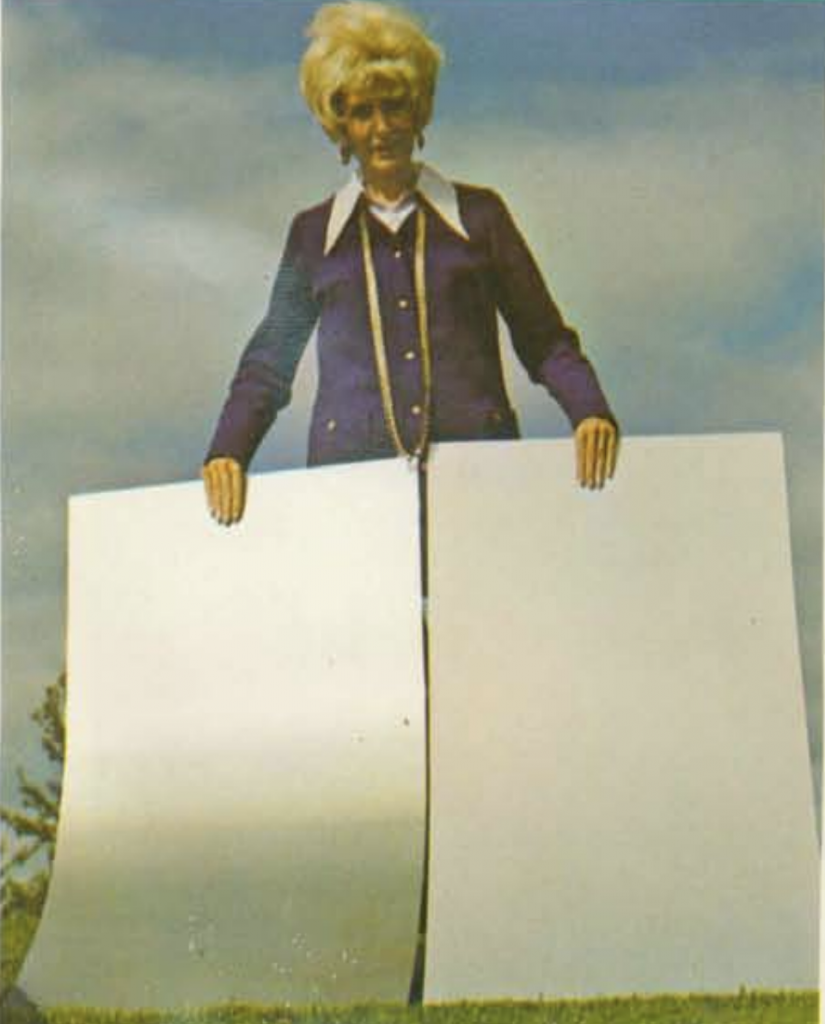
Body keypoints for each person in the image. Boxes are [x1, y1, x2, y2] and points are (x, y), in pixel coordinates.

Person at [203, 0, 618, 525]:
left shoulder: (480, 216)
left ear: (418, 111)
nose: (381, 128)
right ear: (340, 126)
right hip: (351, 491)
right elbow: (269, 364)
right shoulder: (313, 237)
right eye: (362, 111)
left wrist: (589, 411)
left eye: (395, 106)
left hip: (480, 483)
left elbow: (545, 340)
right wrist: (227, 451)